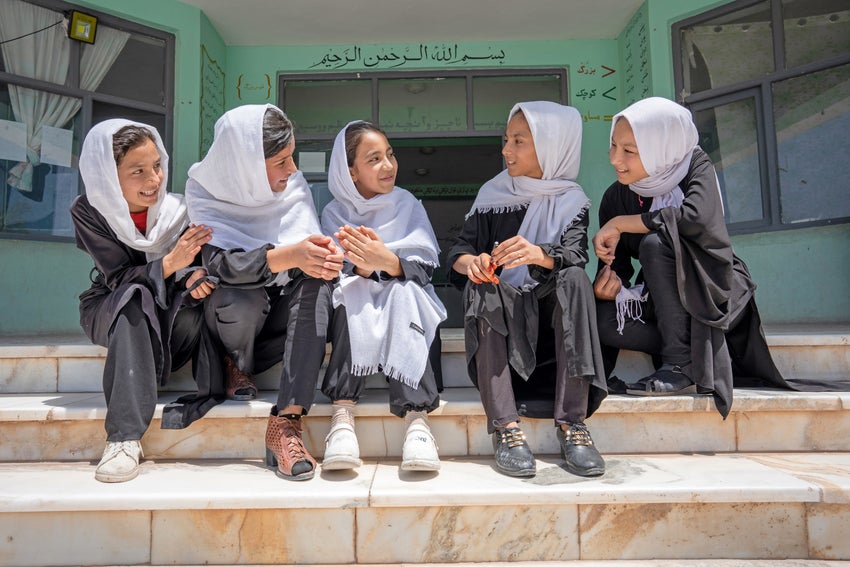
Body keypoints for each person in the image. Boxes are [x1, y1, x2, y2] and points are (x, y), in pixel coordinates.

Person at [592, 96, 789, 416]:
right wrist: (605, 286)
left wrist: (623, 224)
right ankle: (691, 350)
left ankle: (680, 363)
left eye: (629, 150)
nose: (616, 159)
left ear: (661, 146)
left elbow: (695, 217)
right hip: (663, 304)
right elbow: (618, 272)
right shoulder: (616, 197)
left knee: (655, 245)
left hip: (714, 288)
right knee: (599, 318)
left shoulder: (693, 166)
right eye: (613, 146)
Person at [448, 102, 607, 479]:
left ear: (551, 146)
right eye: (507, 140)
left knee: (574, 279)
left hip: (555, 339)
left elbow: (575, 254)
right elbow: (458, 250)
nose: (506, 150)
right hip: (504, 329)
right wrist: (471, 263)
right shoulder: (492, 195)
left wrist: (538, 254)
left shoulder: (572, 200)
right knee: (483, 284)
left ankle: (573, 425)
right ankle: (506, 427)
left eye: (519, 141)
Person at [185, 104, 343, 481]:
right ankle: (234, 363)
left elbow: (306, 240)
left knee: (317, 283)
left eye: (292, 158)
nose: (292, 170)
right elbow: (221, 266)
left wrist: (325, 257)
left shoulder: (293, 184)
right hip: (231, 315)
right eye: (281, 161)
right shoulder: (206, 191)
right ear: (248, 165)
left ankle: (286, 422)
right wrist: (291, 254)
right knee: (243, 295)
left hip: (278, 319)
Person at [71, 119, 224, 483]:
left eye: (156, 166)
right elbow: (119, 277)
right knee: (135, 295)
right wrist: (172, 263)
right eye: (137, 171)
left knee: (201, 300)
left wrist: (194, 275)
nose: (153, 180)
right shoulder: (89, 210)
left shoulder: (178, 212)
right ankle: (123, 438)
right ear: (108, 175)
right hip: (110, 304)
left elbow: (193, 267)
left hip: (171, 309)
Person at [320, 121, 447, 472]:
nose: (388, 165)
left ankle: (417, 421)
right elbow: (331, 269)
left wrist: (388, 262)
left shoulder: (406, 204)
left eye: (389, 155)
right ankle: (343, 416)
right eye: (374, 159)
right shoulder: (335, 213)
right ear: (351, 173)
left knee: (404, 293)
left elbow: (425, 270)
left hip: (403, 295)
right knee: (352, 293)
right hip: (359, 295)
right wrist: (362, 269)